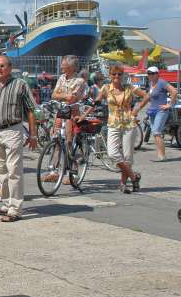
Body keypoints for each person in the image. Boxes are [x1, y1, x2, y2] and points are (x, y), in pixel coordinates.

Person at [0, 55, 38, 222]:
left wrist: (33, 134)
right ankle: (6, 203)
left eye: (2, 66)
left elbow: (31, 110)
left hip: (13, 130)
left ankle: (15, 209)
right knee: (1, 171)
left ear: (10, 68)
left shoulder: (20, 85)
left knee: (14, 171)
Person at [80, 63, 149, 193]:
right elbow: (95, 103)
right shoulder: (106, 88)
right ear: (110, 75)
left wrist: (137, 109)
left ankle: (123, 184)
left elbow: (146, 96)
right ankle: (134, 177)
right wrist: (83, 115)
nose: (117, 76)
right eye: (114, 74)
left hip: (129, 124)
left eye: (119, 74)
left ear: (123, 75)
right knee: (112, 153)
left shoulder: (129, 88)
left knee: (127, 156)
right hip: (113, 124)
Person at [44, 55, 87, 184]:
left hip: (72, 114)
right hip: (60, 112)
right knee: (56, 140)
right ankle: (54, 171)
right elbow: (54, 94)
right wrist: (65, 96)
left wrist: (62, 96)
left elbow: (72, 99)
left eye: (65, 66)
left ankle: (73, 173)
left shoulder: (80, 81)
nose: (62, 68)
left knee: (69, 142)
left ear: (72, 68)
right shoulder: (62, 78)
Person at [143, 66, 178, 161]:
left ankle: (162, 156)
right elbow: (150, 98)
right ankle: (160, 154)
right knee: (155, 133)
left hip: (161, 111)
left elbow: (174, 91)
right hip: (152, 111)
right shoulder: (150, 83)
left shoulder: (162, 82)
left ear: (157, 74)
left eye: (153, 73)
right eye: (149, 74)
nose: (150, 75)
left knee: (156, 132)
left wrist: (169, 105)